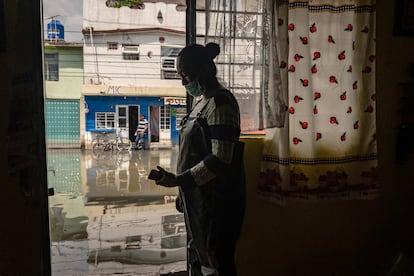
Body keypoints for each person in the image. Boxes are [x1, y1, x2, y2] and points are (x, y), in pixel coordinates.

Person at [148, 42, 245, 276]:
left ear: (202, 70)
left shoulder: (222, 103)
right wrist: (182, 192)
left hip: (218, 204)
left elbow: (220, 160)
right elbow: (192, 153)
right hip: (197, 201)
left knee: (216, 263)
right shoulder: (199, 103)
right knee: (198, 258)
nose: (183, 82)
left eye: (185, 74)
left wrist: (178, 181)